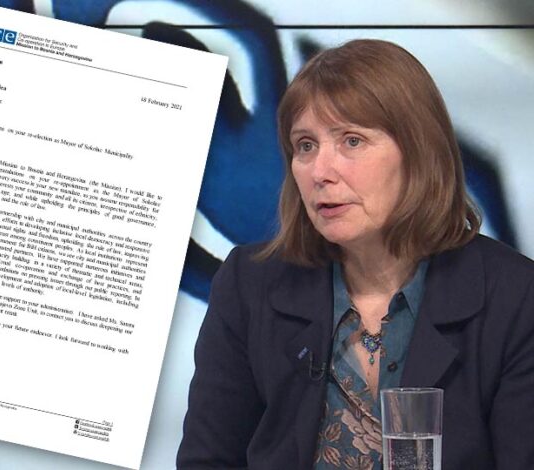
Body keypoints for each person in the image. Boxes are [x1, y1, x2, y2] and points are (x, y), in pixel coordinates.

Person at [177, 39, 534, 469]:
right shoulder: (249, 284)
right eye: (305, 145)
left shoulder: (516, 297)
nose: (320, 172)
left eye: (351, 141)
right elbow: (207, 460)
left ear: (417, 152)